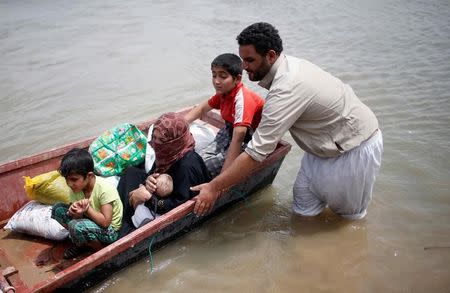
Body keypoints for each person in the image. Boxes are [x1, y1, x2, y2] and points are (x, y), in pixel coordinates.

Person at [192, 22, 383, 220]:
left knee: (348, 221)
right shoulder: (287, 67)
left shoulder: (286, 88)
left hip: (353, 148)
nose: (244, 66)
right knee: (302, 212)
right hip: (319, 149)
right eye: (242, 59)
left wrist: (214, 187)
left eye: (249, 60)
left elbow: (256, 153)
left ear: (271, 56)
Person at [117, 112, 211, 235]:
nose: (156, 144)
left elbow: (180, 206)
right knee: (131, 172)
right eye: (154, 138)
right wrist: (149, 182)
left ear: (175, 141)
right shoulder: (167, 154)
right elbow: (153, 173)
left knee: (126, 227)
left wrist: (149, 198)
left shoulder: (186, 166)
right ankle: (121, 217)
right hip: (161, 193)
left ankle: (126, 228)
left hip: (170, 204)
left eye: (161, 140)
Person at [184, 53, 264, 178]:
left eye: (222, 76)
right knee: (197, 159)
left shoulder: (243, 100)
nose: (216, 81)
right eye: (214, 75)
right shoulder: (224, 93)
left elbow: (238, 138)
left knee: (203, 168)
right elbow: (201, 108)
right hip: (228, 131)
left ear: (237, 79)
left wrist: (222, 181)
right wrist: (178, 126)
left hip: (249, 140)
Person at [51, 148, 123, 259]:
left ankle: (101, 253)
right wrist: (73, 212)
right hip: (90, 221)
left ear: (89, 176)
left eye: (74, 179)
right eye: (67, 179)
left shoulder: (104, 189)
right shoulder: (76, 189)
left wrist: (87, 209)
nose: (69, 184)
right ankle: (82, 243)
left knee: (76, 226)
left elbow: (105, 223)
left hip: (109, 230)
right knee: (57, 209)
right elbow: (77, 217)